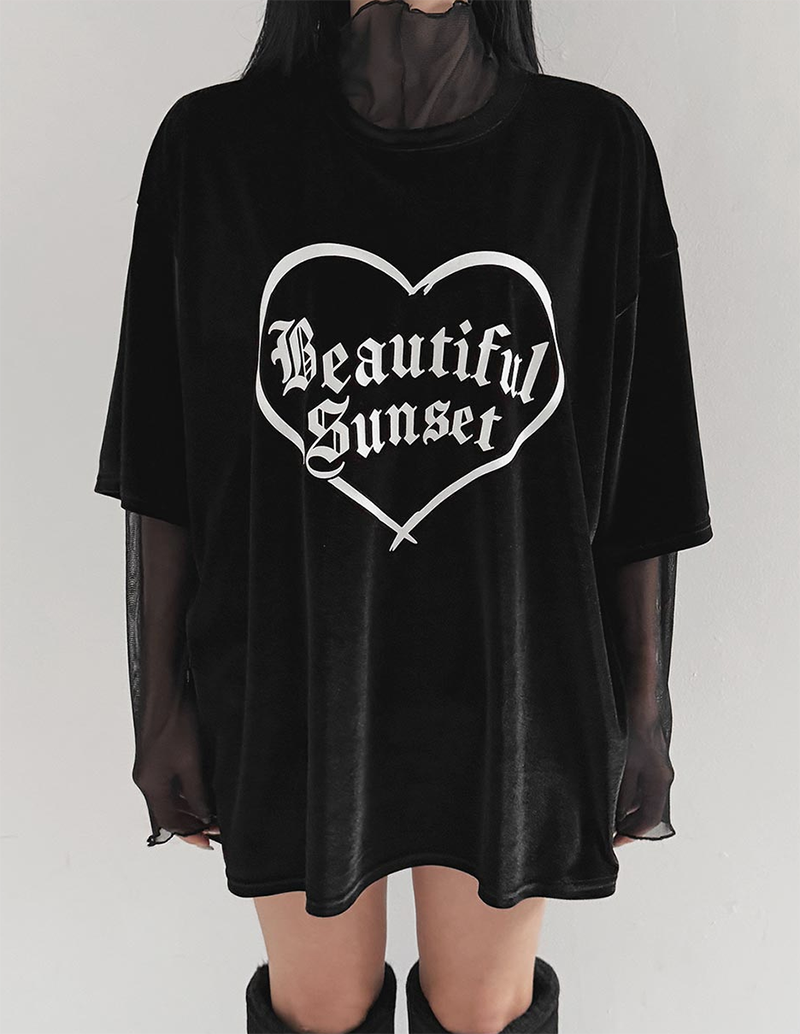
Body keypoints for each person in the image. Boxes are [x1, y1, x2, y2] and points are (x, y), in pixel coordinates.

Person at [92, 2, 714, 1032]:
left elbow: (643, 464)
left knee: (483, 1011)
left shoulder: (590, 150)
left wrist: (644, 712)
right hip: (292, 668)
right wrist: (158, 705)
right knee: (319, 1009)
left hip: (519, 678)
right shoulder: (215, 151)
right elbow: (163, 457)